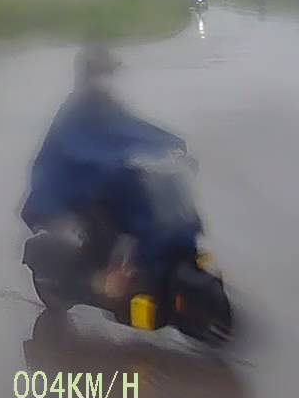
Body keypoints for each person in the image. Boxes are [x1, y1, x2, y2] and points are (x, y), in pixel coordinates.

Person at [20, 43, 191, 297]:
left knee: (149, 211)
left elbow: (134, 128)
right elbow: (84, 148)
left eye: (109, 72)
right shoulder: (75, 111)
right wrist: (125, 159)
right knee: (115, 222)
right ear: (86, 75)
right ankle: (100, 283)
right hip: (68, 189)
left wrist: (172, 143)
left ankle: (139, 269)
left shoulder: (107, 104)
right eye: (101, 73)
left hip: (102, 183)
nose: (106, 79)